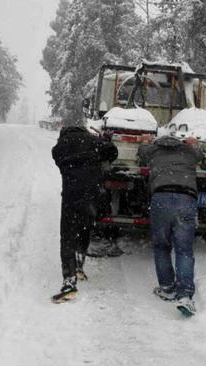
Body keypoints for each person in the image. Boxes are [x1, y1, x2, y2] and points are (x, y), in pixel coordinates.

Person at [51, 119, 118, 303]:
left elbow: (59, 161)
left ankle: (69, 282)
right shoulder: (93, 142)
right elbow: (113, 152)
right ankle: (80, 264)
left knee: (67, 237)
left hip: (71, 196)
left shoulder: (59, 147)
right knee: (85, 227)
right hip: (92, 195)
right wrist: (101, 148)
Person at [138, 135, 204, 316]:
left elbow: (142, 153)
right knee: (184, 249)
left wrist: (145, 141)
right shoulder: (188, 151)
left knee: (161, 245)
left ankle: (167, 287)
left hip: (161, 197)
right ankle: (185, 296)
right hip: (186, 198)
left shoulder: (154, 150)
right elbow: (201, 155)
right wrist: (193, 144)